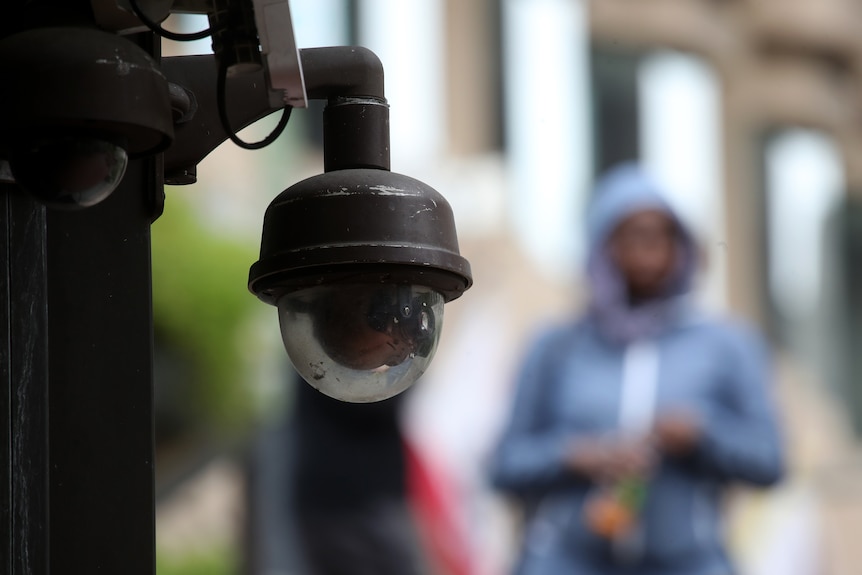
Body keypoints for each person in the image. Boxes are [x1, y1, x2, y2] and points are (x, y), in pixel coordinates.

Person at [488, 162, 785, 575]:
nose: (650, 250)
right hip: (569, 561)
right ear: (601, 246)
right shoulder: (555, 346)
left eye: (663, 235)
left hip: (689, 562)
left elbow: (769, 462)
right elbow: (504, 466)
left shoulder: (726, 345)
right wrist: (577, 455)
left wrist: (702, 434)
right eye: (632, 235)